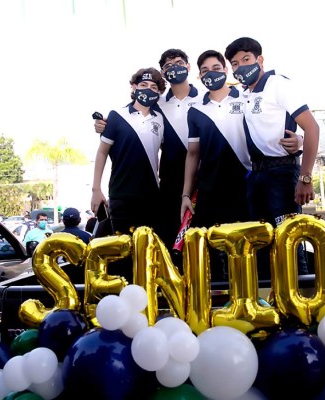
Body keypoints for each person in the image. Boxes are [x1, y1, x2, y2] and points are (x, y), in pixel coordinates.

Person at [95, 49, 204, 259]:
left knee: (203, 237)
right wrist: (104, 126)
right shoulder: (157, 105)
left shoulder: (205, 98)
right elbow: (131, 123)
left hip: (205, 178)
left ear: (188, 67)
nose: (175, 68)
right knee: (165, 243)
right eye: (168, 66)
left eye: (179, 63)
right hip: (168, 186)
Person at [224, 37, 318, 275]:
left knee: (289, 242)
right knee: (263, 245)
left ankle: (299, 305)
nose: (240, 66)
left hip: (282, 174)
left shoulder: (278, 84)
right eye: (235, 64)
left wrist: (305, 177)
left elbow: (312, 127)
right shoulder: (244, 94)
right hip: (256, 176)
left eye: (246, 59)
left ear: (260, 60)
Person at [180, 50, 251, 281]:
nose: (211, 73)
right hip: (211, 189)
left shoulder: (246, 99)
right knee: (214, 250)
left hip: (246, 186)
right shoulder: (195, 111)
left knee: (247, 249)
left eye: (216, 68)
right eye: (205, 71)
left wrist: (298, 141)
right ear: (200, 77)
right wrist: (185, 195)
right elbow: (193, 154)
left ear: (226, 69)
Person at [91, 67, 166, 237]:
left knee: (149, 253)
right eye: (143, 84)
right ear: (134, 87)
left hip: (152, 197)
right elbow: (102, 153)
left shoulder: (161, 119)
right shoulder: (117, 115)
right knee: (123, 253)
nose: (148, 89)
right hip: (121, 196)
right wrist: (96, 189)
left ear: (159, 92)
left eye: (153, 87)